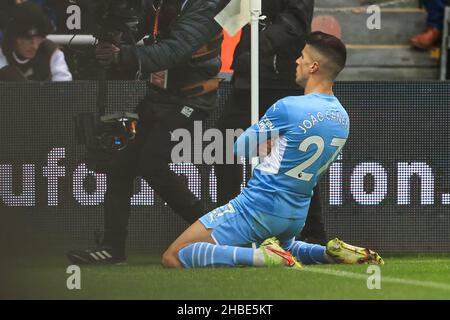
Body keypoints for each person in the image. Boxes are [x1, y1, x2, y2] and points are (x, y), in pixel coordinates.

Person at [161, 32, 384, 269]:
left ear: (314, 66)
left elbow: (240, 148)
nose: (297, 61)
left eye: (302, 56)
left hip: (259, 206)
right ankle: (328, 253)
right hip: (296, 215)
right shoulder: (343, 118)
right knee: (286, 248)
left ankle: (262, 257)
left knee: (173, 256)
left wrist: (262, 142)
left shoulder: (289, 106)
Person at [67, 0, 229, 265]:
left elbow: (175, 50)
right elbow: (140, 31)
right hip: (159, 97)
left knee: (152, 163)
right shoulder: (158, 4)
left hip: (191, 100)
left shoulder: (203, 6)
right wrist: (115, 36)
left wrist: (123, 55)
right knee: (120, 166)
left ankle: (218, 231)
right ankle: (112, 249)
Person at [214, 0, 328, 245]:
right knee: (224, 142)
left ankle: (313, 232)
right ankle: (227, 225)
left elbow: (295, 21)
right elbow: (230, 10)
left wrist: (257, 49)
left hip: (282, 76)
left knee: (293, 152)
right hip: (248, 74)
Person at [0, 2, 72, 81]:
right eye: (28, 39)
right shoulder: (3, 56)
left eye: (38, 38)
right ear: (15, 38)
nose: (35, 46)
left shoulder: (52, 54)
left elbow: (64, 89)